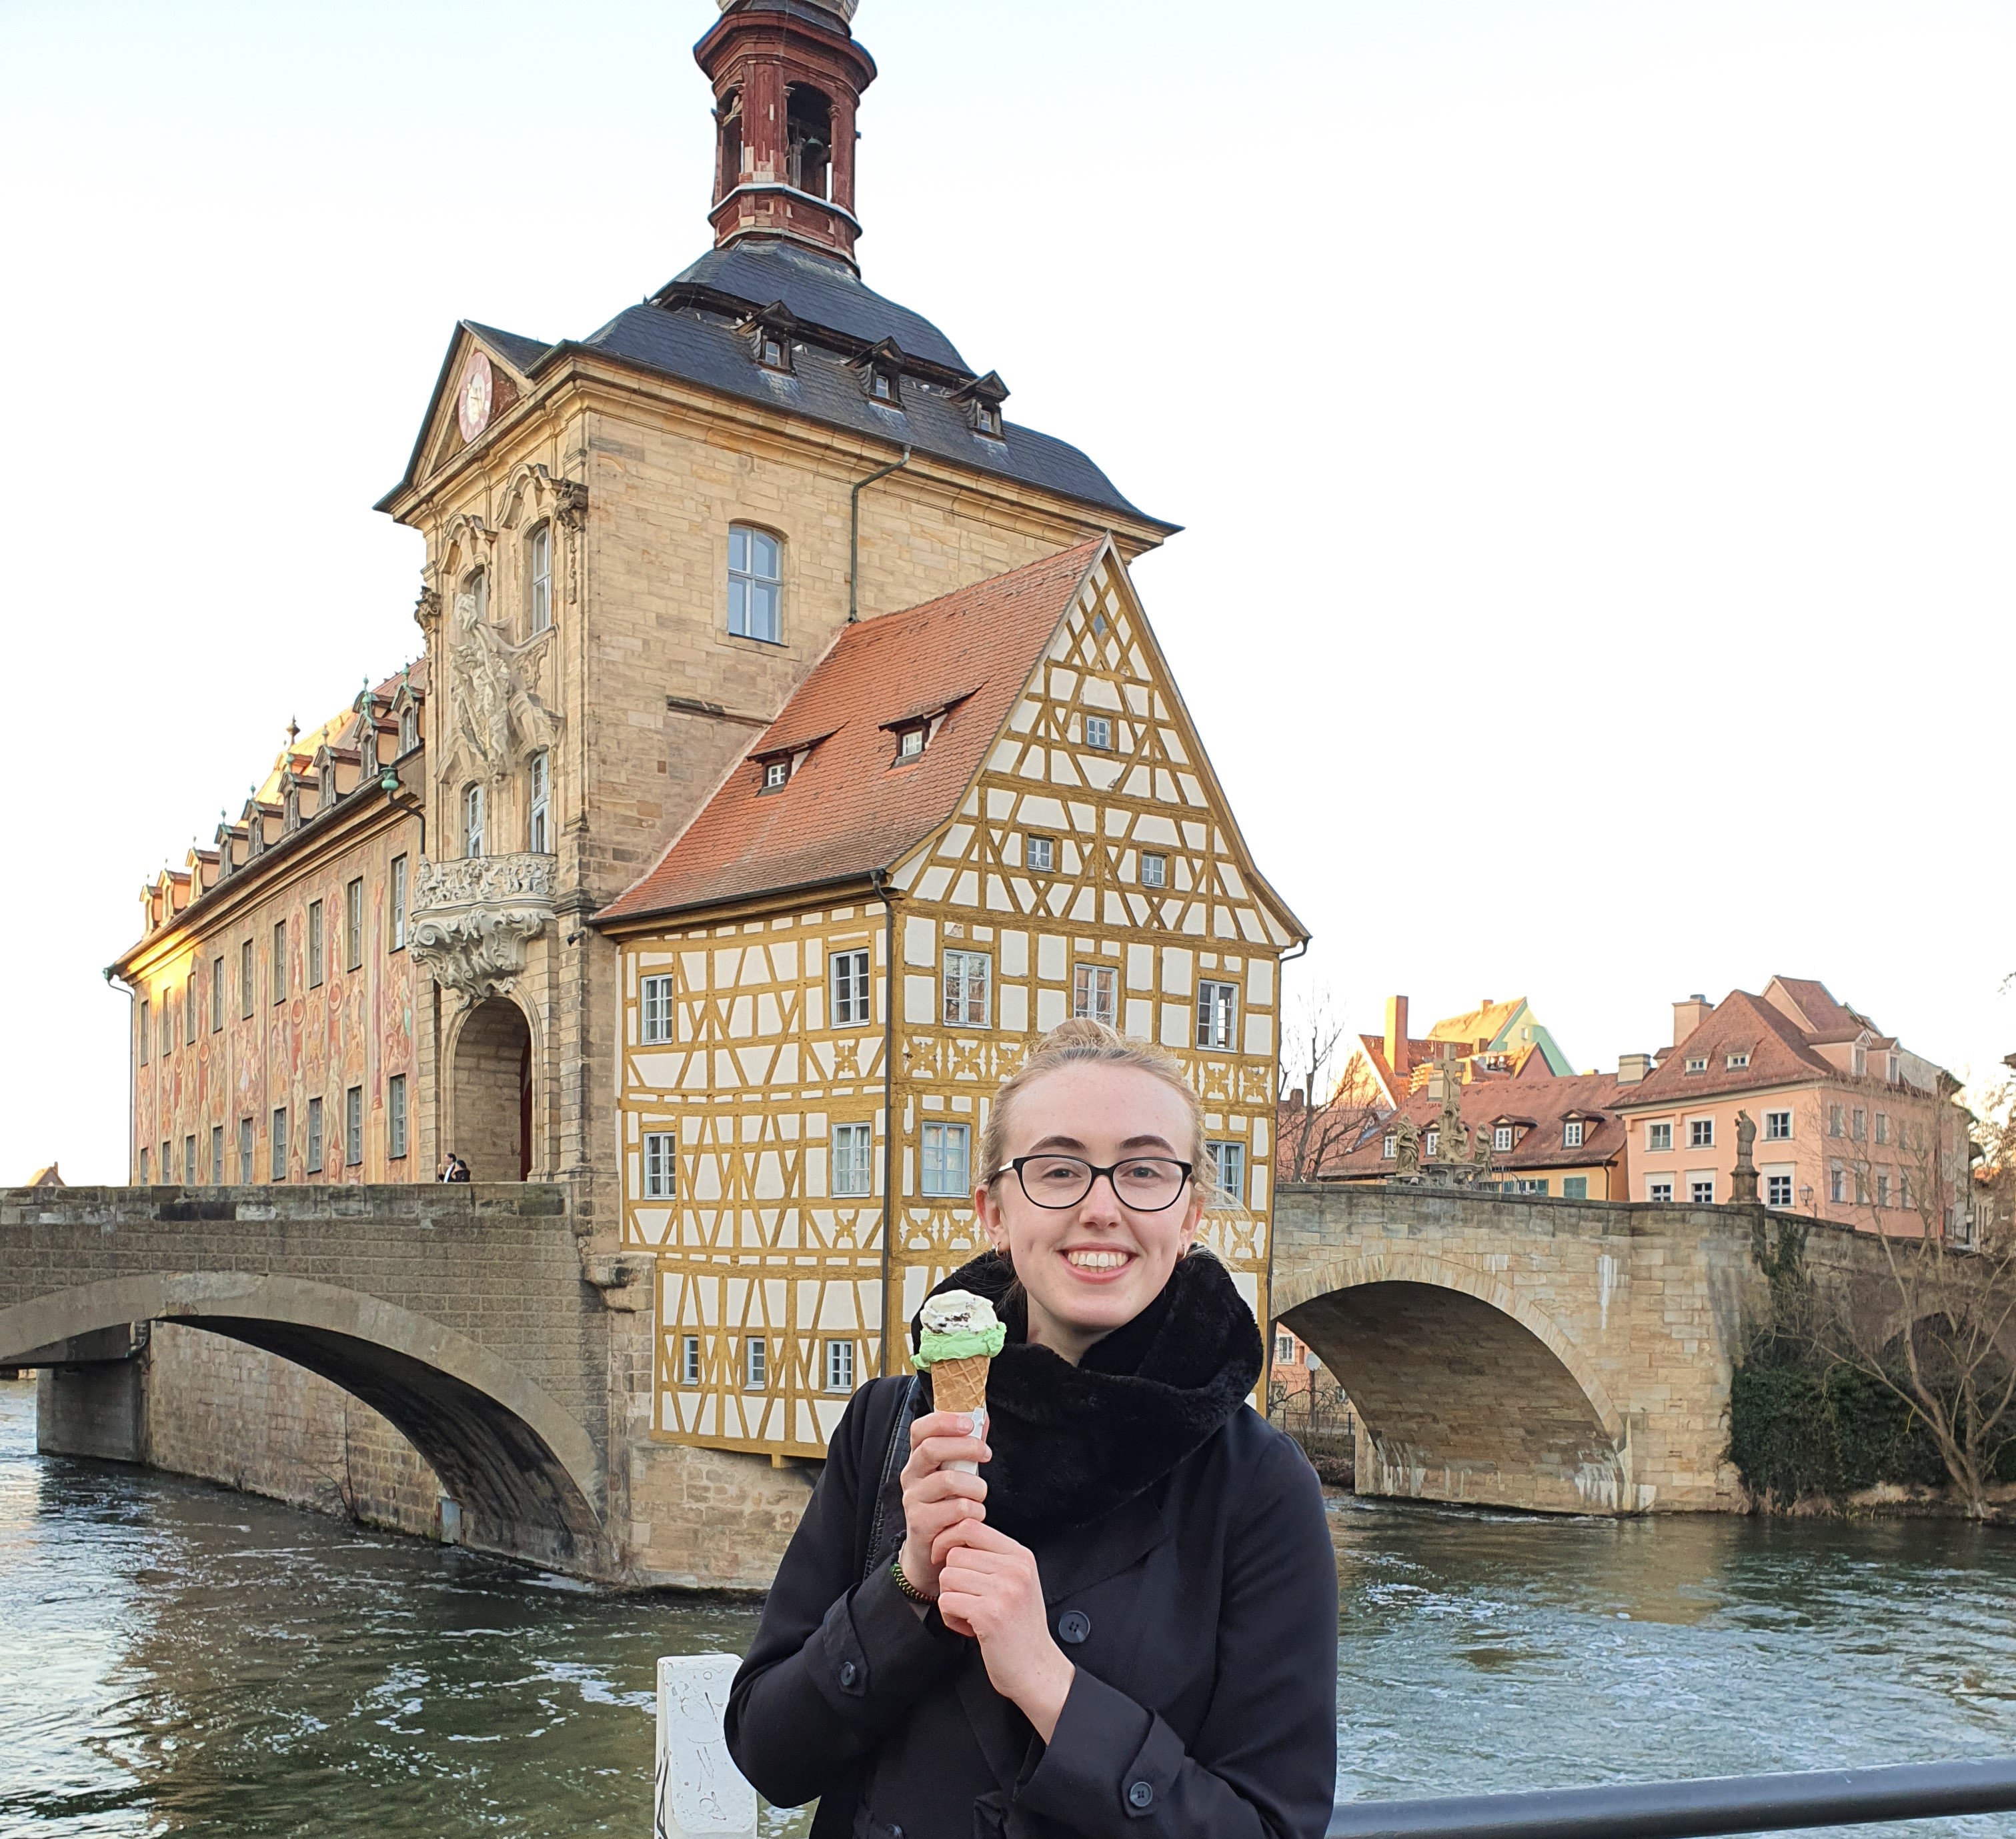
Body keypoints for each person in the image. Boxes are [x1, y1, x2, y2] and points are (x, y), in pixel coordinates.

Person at [727, 1018, 1338, 1839]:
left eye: (1143, 1171)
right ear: (993, 1210)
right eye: (1057, 1170)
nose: (1100, 1207)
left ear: (1188, 1212)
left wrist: (1050, 1684)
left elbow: (1270, 1828)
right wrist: (906, 1584)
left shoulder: (1256, 1485)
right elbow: (768, 1755)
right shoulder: (887, 1424)